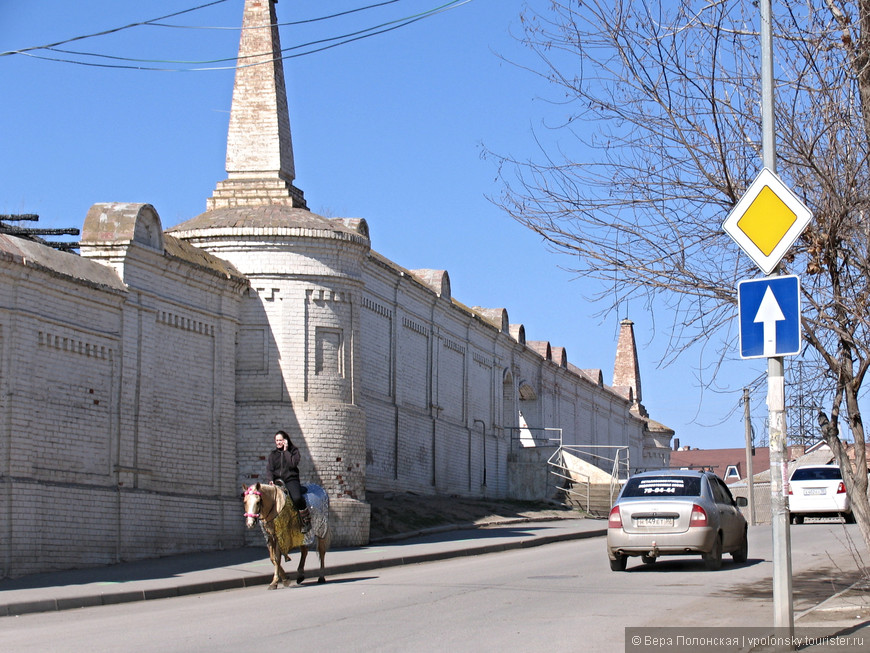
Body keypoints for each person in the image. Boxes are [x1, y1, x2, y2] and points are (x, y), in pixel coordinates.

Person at [266, 430, 310, 533]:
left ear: (286, 440)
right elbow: (269, 469)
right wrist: (270, 480)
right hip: (277, 481)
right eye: (276, 440)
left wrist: (286, 451)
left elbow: (292, 464)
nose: (278, 443)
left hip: (291, 479)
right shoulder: (273, 455)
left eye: (280, 440)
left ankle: (306, 521)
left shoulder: (294, 452)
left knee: (297, 498)